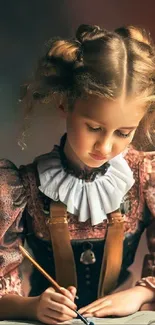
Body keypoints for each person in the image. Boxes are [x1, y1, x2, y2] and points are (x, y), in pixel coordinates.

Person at [0, 23, 155, 324]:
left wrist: (141, 294)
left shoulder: (147, 177)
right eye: (94, 128)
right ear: (64, 103)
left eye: (124, 133)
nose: (106, 146)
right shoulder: (21, 188)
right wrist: (31, 306)